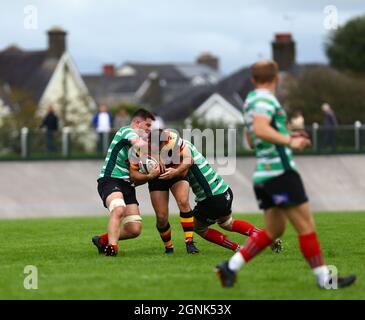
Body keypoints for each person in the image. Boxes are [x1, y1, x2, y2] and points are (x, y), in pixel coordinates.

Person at [215, 60, 356, 289]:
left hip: (263, 175)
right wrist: (291, 140)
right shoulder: (265, 99)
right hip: (280, 173)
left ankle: (229, 267)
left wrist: (286, 133)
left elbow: (252, 139)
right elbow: (261, 129)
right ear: (277, 78)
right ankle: (325, 279)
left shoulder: (250, 101)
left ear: (252, 79)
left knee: (273, 231)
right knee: (306, 227)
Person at [137, 129, 282, 254]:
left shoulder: (180, 150)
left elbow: (186, 165)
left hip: (211, 198)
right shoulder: (179, 145)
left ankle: (239, 249)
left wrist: (172, 172)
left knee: (197, 227)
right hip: (224, 190)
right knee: (227, 223)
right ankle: (267, 236)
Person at [92, 109, 157, 256]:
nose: (149, 129)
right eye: (147, 125)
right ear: (137, 123)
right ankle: (112, 248)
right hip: (110, 180)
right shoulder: (126, 131)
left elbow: (136, 177)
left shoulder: (139, 150)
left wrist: (151, 175)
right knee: (119, 209)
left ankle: (102, 240)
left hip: (127, 185)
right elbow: (139, 143)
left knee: (134, 229)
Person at [130, 129, 199, 254]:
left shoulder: (173, 139)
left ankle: (189, 242)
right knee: (161, 217)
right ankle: (169, 247)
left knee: (183, 201)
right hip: (157, 177)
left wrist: (176, 171)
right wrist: (149, 176)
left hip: (176, 171)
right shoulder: (140, 148)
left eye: (161, 146)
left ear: (165, 142)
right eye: (154, 148)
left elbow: (189, 159)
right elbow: (133, 174)